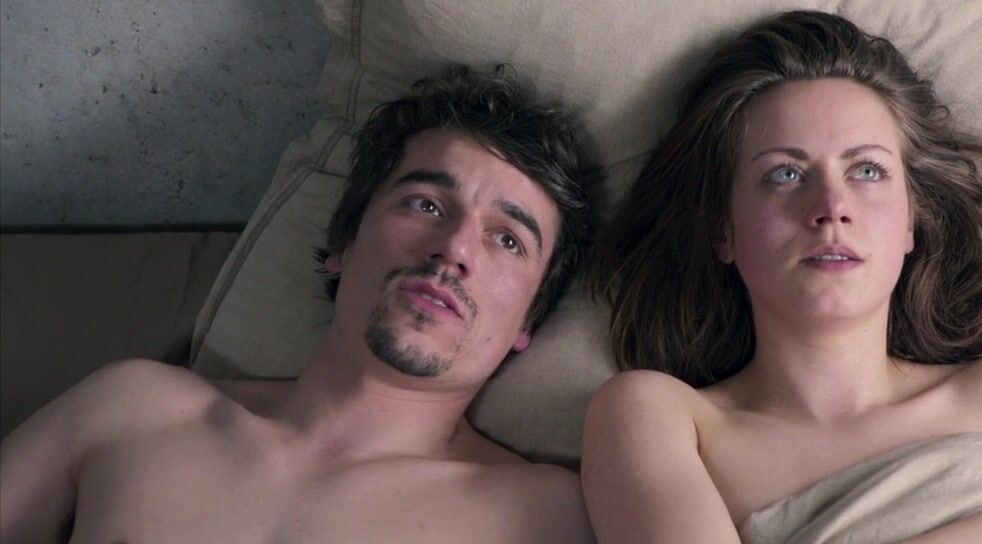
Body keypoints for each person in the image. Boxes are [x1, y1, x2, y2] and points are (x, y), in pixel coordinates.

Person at [582, 11, 982, 543]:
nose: (832, 207)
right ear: (723, 230)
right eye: (785, 174)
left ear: (910, 223)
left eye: (868, 171)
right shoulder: (662, 417)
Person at [0, 66, 597, 543]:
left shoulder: (550, 514)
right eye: (426, 205)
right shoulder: (131, 408)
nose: (455, 249)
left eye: (508, 240)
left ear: (528, 321)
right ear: (343, 243)